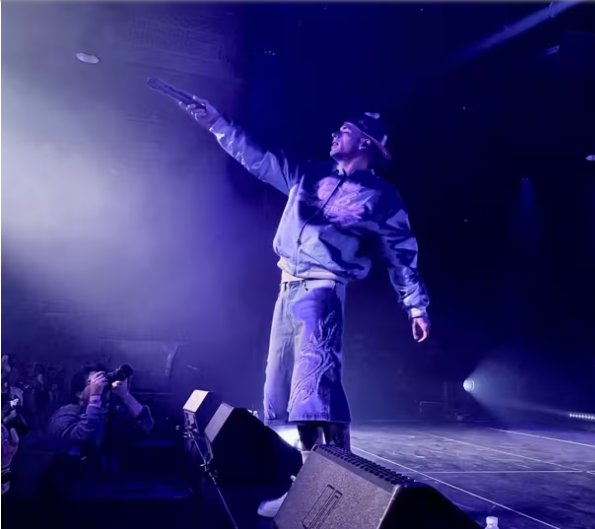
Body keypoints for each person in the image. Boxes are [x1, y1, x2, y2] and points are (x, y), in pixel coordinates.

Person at [180, 96, 431, 515]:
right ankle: (323, 482)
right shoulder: (308, 174)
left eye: (345, 131)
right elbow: (259, 159)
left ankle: (321, 490)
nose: (335, 135)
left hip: (321, 291)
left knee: (312, 391)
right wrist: (219, 125)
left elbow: (400, 252)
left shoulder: (380, 198)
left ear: (366, 144)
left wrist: (415, 305)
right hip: (287, 291)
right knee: (280, 389)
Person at [47, 367, 154, 461]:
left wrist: (125, 395)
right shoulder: (64, 414)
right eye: (94, 382)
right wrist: (95, 397)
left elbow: (146, 424)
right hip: (73, 478)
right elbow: (85, 439)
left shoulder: (108, 414)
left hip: (103, 480)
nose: (101, 385)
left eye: (103, 381)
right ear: (79, 393)